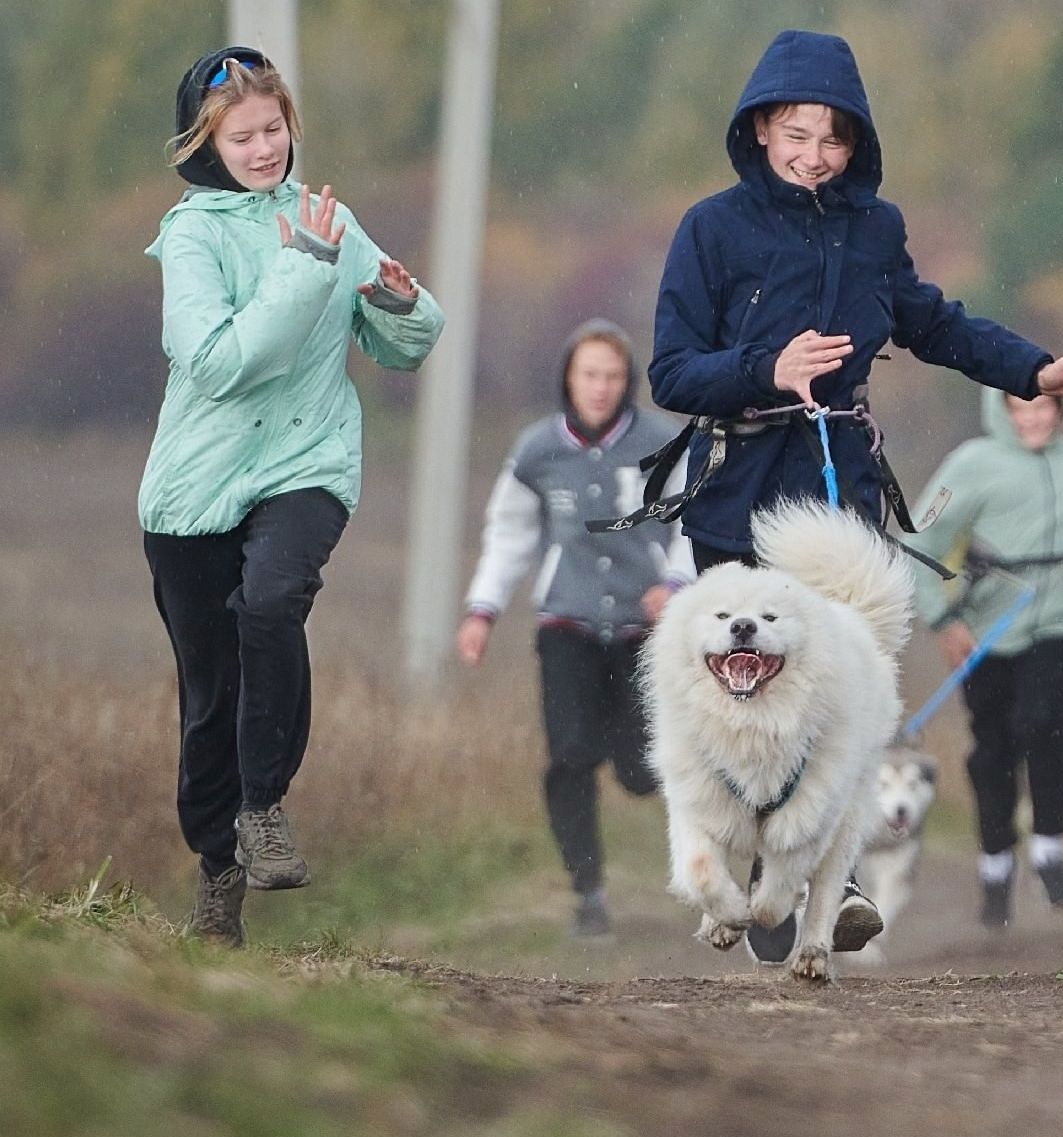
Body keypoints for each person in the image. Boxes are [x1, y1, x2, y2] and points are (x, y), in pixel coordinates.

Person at [642, 28, 1063, 961]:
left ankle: (831, 875)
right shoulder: (710, 228)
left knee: (831, 685)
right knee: (739, 696)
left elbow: (936, 324)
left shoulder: (875, 229)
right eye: (797, 134)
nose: (814, 156)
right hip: (734, 483)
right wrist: (766, 366)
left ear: (855, 143)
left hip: (837, 485)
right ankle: (740, 867)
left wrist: (1034, 369)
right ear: (762, 127)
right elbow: (669, 371)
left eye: (833, 139)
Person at [141, 48, 444, 948]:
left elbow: (403, 345)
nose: (265, 147)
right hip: (193, 492)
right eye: (244, 135)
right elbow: (224, 365)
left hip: (307, 464)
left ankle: (264, 805)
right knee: (210, 696)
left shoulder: (327, 219)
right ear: (207, 142)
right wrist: (307, 267)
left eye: (274, 129)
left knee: (273, 603)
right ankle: (217, 867)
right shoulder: (190, 235)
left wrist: (398, 305)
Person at [458, 320, 693, 937]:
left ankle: (687, 845)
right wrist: (483, 610)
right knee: (569, 755)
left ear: (628, 383)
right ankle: (587, 892)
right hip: (567, 621)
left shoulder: (663, 442)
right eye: (590, 374)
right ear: (569, 377)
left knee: (644, 770)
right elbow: (508, 535)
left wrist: (673, 584)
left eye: (613, 376)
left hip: (645, 632)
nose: (600, 387)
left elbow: (694, 523)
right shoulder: (537, 449)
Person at [906, 390, 1063, 928]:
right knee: (992, 750)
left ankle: (1048, 850)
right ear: (1002, 411)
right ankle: (995, 865)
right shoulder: (971, 464)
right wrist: (943, 621)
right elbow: (918, 540)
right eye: (1021, 407)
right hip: (989, 624)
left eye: (1044, 407)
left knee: (1042, 724)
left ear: (1062, 412)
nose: (1033, 418)